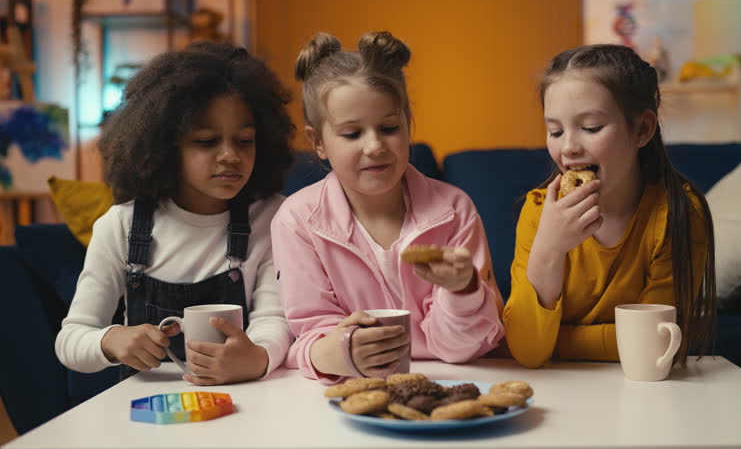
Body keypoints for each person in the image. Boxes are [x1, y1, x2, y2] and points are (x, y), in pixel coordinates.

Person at [55, 42, 295, 385]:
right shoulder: (119, 227)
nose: (230, 155)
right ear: (166, 146)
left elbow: (275, 319)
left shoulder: (273, 217)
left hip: (246, 399)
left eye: (244, 141)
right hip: (147, 412)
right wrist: (109, 340)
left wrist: (257, 357)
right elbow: (70, 339)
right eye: (206, 141)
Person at [271, 31, 504, 383]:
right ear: (318, 141)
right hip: (349, 390)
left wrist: (463, 291)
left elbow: (461, 348)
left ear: (408, 124)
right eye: (352, 134)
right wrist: (344, 349)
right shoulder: (297, 219)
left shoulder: (455, 210)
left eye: (389, 127)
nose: (375, 145)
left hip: (449, 380)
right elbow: (310, 335)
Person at [503, 44, 716, 368]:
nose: (569, 147)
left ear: (642, 129)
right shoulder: (537, 212)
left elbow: (654, 345)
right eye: (555, 131)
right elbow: (528, 351)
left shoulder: (676, 213)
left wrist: (559, 340)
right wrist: (549, 248)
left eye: (591, 128)